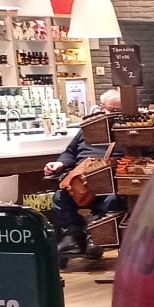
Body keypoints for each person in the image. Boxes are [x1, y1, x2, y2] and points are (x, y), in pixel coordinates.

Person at [45, 89, 129, 265]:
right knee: (61, 197)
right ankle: (74, 237)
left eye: (119, 111)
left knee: (113, 200)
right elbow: (69, 152)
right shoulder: (88, 129)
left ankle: (95, 237)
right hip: (82, 183)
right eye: (112, 111)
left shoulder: (128, 132)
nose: (115, 115)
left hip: (111, 184)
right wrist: (60, 163)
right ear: (101, 108)